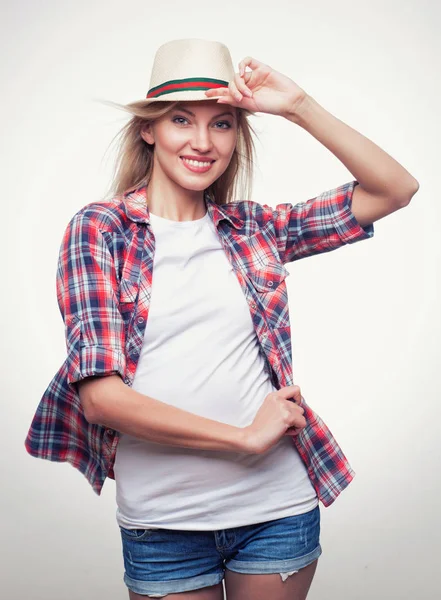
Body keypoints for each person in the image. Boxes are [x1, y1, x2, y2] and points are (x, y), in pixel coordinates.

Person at [24, 38, 419, 599]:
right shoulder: (99, 230)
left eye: (224, 123)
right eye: (181, 120)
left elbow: (395, 188)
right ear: (149, 129)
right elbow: (101, 398)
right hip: (163, 519)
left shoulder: (256, 229)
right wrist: (240, 439)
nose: (202, 142)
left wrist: (299, 105)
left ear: (239, 134)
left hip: (275, 508)